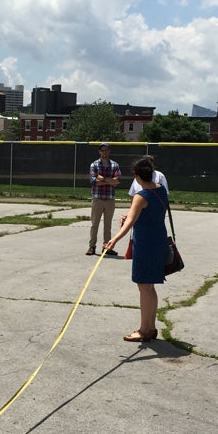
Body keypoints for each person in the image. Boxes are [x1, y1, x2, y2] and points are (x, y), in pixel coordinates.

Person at [103, 157, 169, 342]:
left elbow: (130, 221)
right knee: (150, 286)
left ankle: (143, 330)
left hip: (146, 244)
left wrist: (114, 239)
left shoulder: (141, 196)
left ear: (137, 176)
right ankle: (150, 327)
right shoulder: (161, 190)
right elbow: (147, 214)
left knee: (143, 287)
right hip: (159, 240)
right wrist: (135, 215)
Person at [87, 143, 121, 257]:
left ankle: (107, 247)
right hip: (97, 198)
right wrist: (110, 181)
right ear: (99, 152)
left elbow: (117, 182)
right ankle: (92, 246)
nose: (104, 152)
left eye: (106, 150)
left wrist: (104, 179)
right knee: (94, 224)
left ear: (109, 151)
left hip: (110, 199)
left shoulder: (115, 165)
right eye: (102, 150)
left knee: (108, 225)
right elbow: (94, 181)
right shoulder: (94, 165)